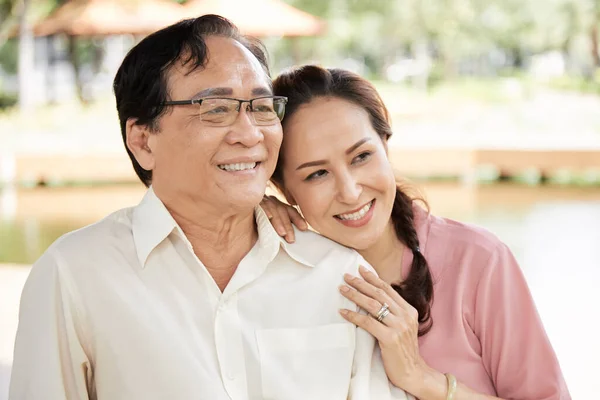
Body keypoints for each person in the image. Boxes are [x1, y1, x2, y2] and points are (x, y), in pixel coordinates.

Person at [9, 17, 413, 400]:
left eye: (260, 107)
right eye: (216, 109)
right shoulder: (75, 275)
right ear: (143, 141)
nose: (249, 133)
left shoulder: (338, 275)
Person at [261, 65, 571, 400]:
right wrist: (249, 213)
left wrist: (421, 378)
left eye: (361, 156)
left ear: (385, 145)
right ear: (284, 188)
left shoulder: (478, 261)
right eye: (317, 174)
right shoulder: (276, 270)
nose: (350, 191)